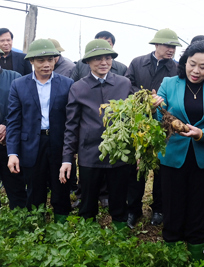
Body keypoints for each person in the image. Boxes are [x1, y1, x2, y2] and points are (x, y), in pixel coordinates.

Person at [156, 40, 204, 261]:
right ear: (185, 61)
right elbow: (161, 123)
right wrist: (155, 107)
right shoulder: (169, 84)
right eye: (192, 64)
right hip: (173, 158)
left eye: (203, 67)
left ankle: (196, 253)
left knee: (199, 210)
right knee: (172, 208)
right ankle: (172, 255)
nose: (196, 71)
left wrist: (201, 134)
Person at [59, 39, 134, 230]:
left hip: (119, 154)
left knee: (118, 200)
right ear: (87, 62)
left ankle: (120, 236)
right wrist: (68, 157)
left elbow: (135, 116)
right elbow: (71, 125)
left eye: (107, 58)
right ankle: (88, 237)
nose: (103, 62)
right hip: (89, 154)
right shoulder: (78, 88)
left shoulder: (124, 84)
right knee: (87, 202)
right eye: (97, 59)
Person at [7, 39, 73, 222]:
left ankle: (61, 225)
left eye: (50, 60)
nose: (46, 64)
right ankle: (37, 226)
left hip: (58, 142)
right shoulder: (19, 85)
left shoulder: (67, 84)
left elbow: (71, 119)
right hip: (31, 144)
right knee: (35, 188)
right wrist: (12, 152)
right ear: (31, 62)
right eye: (41, 60)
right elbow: (13, 121)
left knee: (61, 186)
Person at [125, 28, 181, 228]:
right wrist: (144, 97)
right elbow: (127, 85)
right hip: (139, 122)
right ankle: (133, 209)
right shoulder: (138, 63)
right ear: (156, 45)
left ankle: (159, 209)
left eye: (173, 47)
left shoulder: (175, 68)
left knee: (161, 168)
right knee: (136, 167)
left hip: (163, 124)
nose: (171, 50)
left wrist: (162, 102)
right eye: (167, 46)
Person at [0, 48, 26, 210]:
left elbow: (25, 107)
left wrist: (7, 126)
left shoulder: (15, 78)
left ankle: (20, 218)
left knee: (15, 185)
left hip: (9, 144)